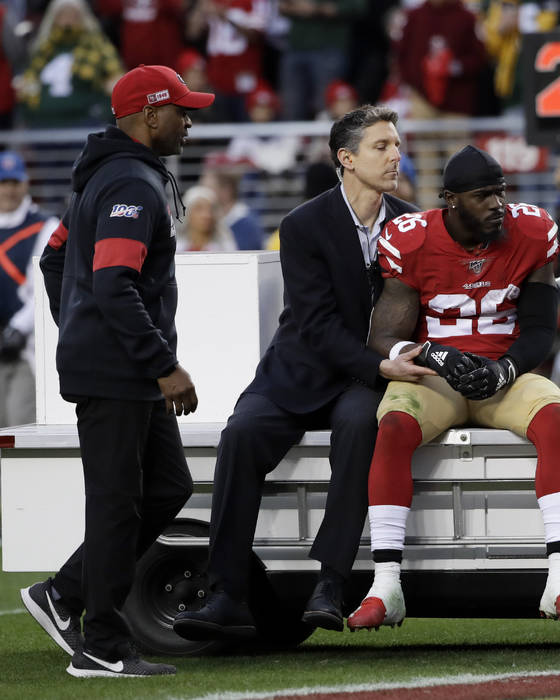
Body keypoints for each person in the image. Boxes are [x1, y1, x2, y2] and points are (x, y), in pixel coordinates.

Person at [172, 105, 427, 641]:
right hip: (302, 369)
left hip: (365, 380)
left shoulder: (412, 223)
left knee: (360, 429)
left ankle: (331, 583)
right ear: (347, 158)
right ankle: (224, 591)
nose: (395, 155)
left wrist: (390, 365)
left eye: (397, 145)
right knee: (240, 435)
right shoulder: (304, 224)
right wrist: (379, 363)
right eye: (382, 146)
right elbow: (315, 325)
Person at [346, 145, 560, 630]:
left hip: (505, 374)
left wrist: (505, 370)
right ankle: (386, 584)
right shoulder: (410, 239)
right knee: (393, 425)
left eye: (500, 192)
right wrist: (437, 354)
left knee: (556, 417)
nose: (498, 204)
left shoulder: (533, 230)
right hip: (436, 379)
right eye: (483, 196)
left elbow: (541, 329)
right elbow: (384, 337)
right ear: (451, 201)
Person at [21, 64, 212, 678]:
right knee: (116, 506)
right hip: (121, 372)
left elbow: (56, 260)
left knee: (166, 489)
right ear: (149, 114)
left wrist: (77, 321)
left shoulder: (102, 176)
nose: (190, 121)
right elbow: (113, 282)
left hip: (114, 365)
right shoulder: (130, 182)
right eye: (182, 110)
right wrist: (164, 366)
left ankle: (65, 593)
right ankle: (101, 644)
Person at [0, 150, 59, 428]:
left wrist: (18, 328)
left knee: (17, 427)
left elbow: (45, 287)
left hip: (25, 347)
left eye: (14, 182)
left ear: (25, 184)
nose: (9, 190)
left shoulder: (45, 226)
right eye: (3, 183)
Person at [176, 185, 238, 252]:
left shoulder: (225, 247)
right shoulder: (176, 247)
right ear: (188, 213)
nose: (207, 215)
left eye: (211, 209)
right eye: (199, 209)